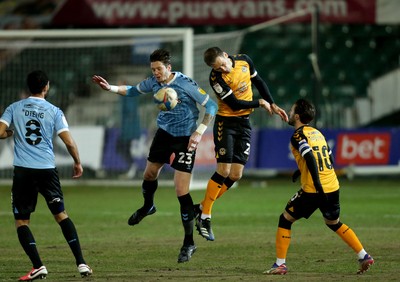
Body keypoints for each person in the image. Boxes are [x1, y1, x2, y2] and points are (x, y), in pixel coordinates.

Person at [92, 49, 218, 263]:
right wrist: (110, 87)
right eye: (153, 69)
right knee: (149, 174)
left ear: (169, 68)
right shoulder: (153, 82)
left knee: (180, 190)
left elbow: (212, 106)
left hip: (186, 138)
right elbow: (133, 90)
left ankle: (189, 243)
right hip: (164, 134)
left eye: (159, 69)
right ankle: (148, 206)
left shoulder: (186, 84)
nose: (156, 73)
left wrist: (199, 131)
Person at [0, 70, 92, 281]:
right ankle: (81, 263)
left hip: (23, 171)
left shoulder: (14, 107)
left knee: (22, 222)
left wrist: (11, 133)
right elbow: (68, 141)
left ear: (28, 87)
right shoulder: (54, 111)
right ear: (46, 87)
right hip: (46, 170)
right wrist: (77, 162)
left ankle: (38, 266)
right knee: (61, 215)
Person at [264, 98, 374, 275]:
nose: (290, 113)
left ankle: (280, 264)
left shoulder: (298, 135)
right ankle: (363, 255)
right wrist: (301, 172)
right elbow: (328, 159)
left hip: (315, 190)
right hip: (333, 186)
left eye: (292, 111)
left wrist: (317, 186)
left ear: (297, 116)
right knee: (333, 223)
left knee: (285, 219)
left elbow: (310, 158)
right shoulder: (317, 133)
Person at [195, 47, 289, 241]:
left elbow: (259, 81)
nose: (221, 69)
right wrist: (259, 103)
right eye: (217, 68)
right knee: (223, 170)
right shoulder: (216, 79)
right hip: (226, 123)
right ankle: (205, 217)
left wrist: (272, 103)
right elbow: (235, 104)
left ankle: (201, 207)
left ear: (225, 56)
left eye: (222, 65)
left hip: (244, 123)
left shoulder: (245, 60)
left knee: (236, 174)